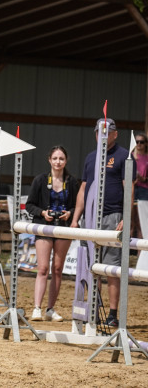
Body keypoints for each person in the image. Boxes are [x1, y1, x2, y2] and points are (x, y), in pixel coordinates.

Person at [70, 117, 130, 328]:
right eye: (98, 132)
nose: (102, 136)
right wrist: (76, 218)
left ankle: (113, 313)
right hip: (90, 218)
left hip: (113, 217)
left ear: (115, 134)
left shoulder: (123, 155)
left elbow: (128, 188)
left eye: (106, 132)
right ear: (95, 134)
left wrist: (125, 217)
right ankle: (93, 308)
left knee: (112, 266)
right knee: (90, 266)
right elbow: (84, 189)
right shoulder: (90, 157)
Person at [25, 146, 79, 322]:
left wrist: (70, 213)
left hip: (63, 228)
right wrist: (42, 213)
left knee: (57, 269)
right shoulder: (40, 180)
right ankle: (36, 308)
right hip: (44, 227)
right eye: (55, 158)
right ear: (49, 160)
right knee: (42, 268)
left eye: (61, 159)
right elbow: (30, 204)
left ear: (66, 160)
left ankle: (50, 308)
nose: (58, 162)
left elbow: (77, 206)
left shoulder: (72, 182)